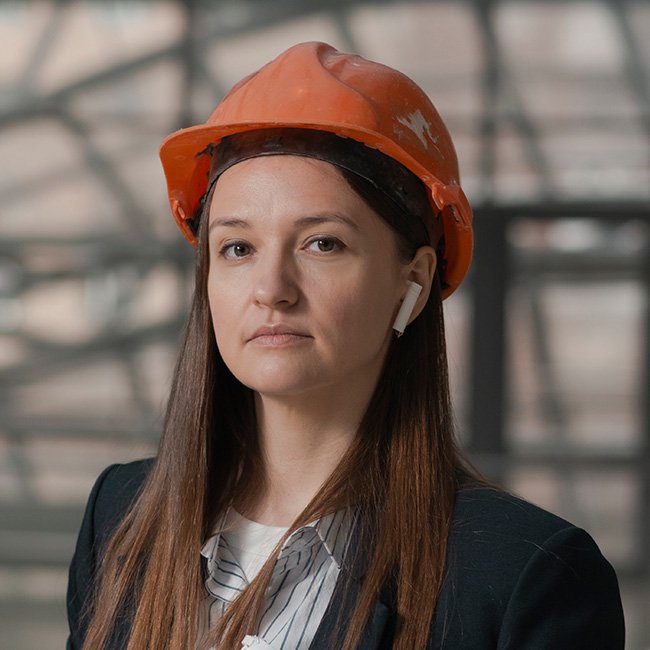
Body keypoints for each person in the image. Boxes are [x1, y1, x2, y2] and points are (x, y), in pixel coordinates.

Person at [66, 42, 624, 649]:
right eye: (237, 248)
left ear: (412, 281)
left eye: (322, 244)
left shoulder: (519, 575)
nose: (271, 290)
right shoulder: (122, 519)